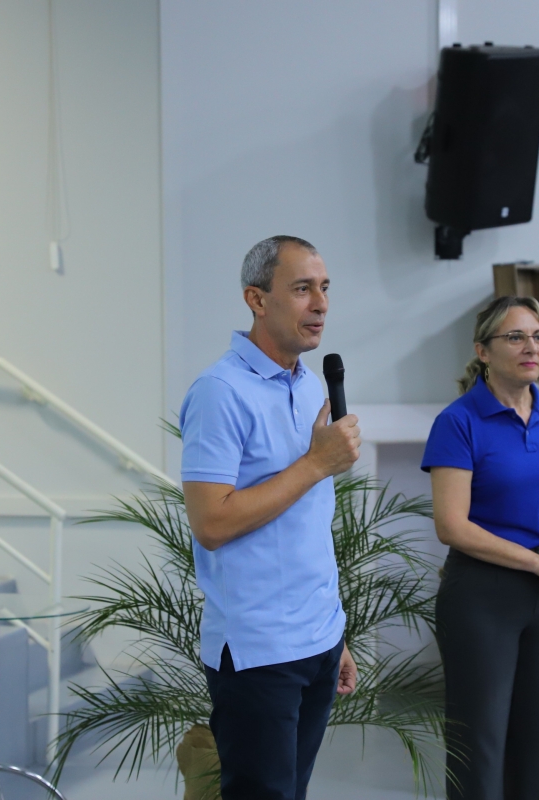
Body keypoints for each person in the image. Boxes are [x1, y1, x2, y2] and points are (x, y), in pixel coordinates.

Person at [179, 235, 360, 800]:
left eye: (324, 288)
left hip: (317, 638)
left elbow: (307, 526)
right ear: (256, 299)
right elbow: (211, 523)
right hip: (259, 650)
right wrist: (316, 464)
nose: (321, 304)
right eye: (302, 289)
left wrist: (334, 630)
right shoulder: (220, 392)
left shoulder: (309, 386)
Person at [421, 295, 539, 800]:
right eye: (515, 337)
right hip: (482, 594)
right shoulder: (459, 421)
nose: (531, 347)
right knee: (479, 747)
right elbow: (452, 526)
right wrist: (536, 563)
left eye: (538, 336)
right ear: (483, 351)